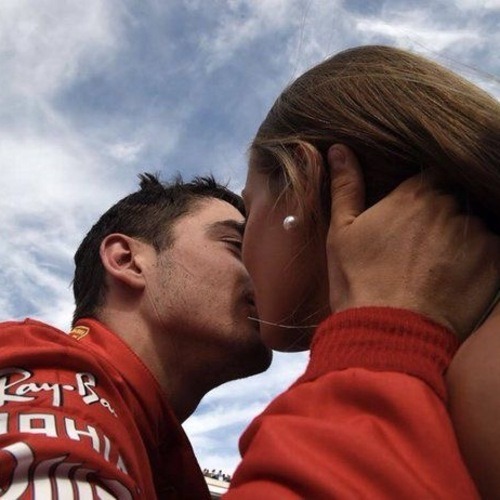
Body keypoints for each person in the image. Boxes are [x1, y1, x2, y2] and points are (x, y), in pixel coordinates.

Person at [223, 45, 500, 498]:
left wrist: (379, 341)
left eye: (248, 213)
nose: (241, 256)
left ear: (300, 186)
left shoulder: (483, 374)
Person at [0, 174, 272, 499]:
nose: (265, 275)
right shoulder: (51, 380)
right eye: (237, 247)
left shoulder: (162, 457)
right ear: (127, 261)